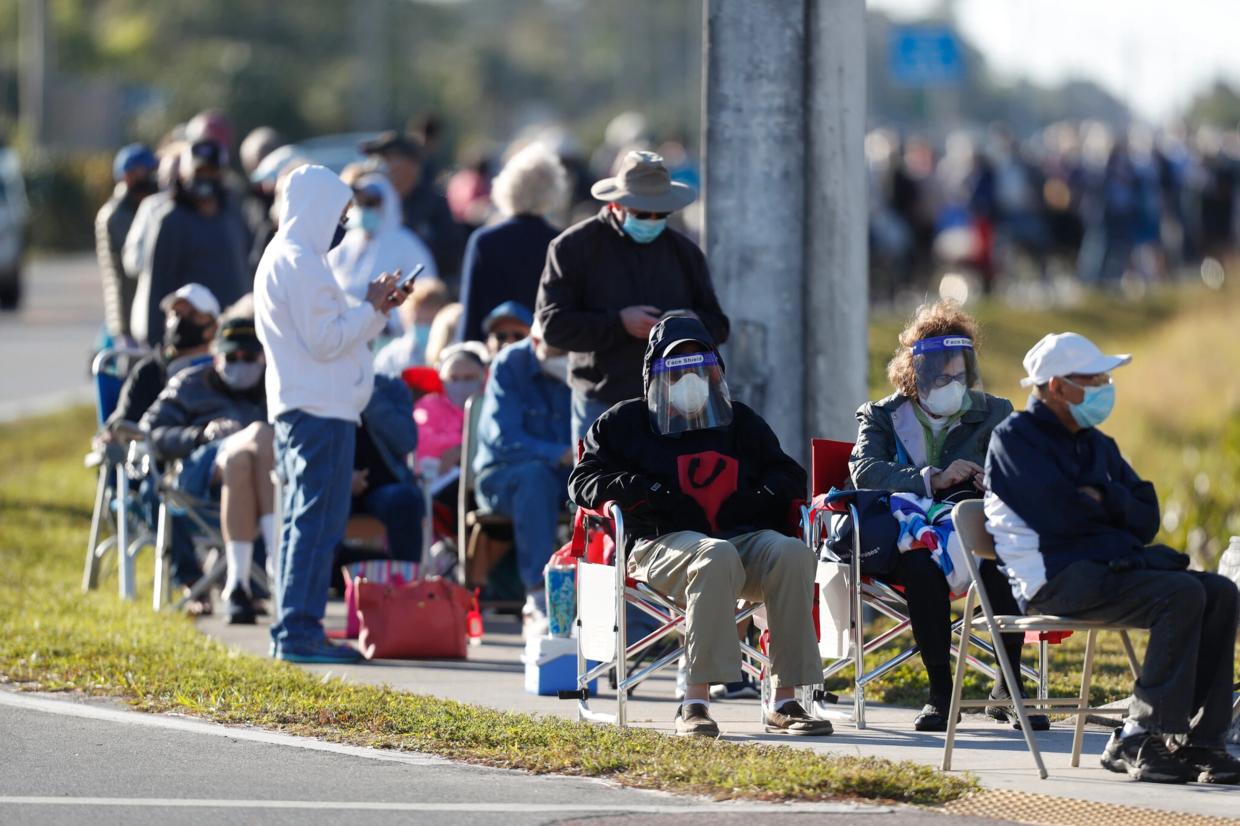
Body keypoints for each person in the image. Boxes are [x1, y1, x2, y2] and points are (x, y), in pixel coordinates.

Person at [986, 333, 1239, 785]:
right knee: (1180, 593)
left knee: (1220, 591)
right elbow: (1059, 519)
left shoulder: (1096, 443)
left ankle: (1201, 741)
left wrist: (1102, 497)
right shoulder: (1014, 440)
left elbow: (1147, 516)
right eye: (1095, 379)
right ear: (1057, 387)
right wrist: (1110, 512)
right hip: (1055, 579)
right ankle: (1138, 735)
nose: (1106, 387)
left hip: (1106, 568)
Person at [569, 315, 830, 738]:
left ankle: (785, 700)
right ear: (654, 375)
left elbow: (788, 474)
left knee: (792, 553)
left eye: (698, 366)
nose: (689, 378)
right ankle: (694, 703)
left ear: (715, 371)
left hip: (738, 539)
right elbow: (582, 481)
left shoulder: (740, 422)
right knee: (714, 555)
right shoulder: (624, 423)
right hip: (658, 544)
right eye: (677, 370)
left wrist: (757, 497)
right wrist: (644, 490)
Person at [850, 300, 1044, 732]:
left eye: (960, 375)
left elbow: (1024, 469)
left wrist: (995, 480)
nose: (953, 385)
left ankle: (1009, 687)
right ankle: (940, 692)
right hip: (909, 534)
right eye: (942, 377)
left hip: (973, 529)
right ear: (914, 373)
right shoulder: (880, 416)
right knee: (921, 566)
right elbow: (864, 470)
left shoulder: (995, 411)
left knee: (998, 557)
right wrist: (932, 478)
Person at [254, 163, 412, 663]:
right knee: (317, 522)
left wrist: (373, 308)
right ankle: (299, 632)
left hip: (309, 406)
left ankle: (292, 627)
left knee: (306, 519)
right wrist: (372, 308)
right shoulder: (299, 261)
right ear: (319, 208)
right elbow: (326, 340)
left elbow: (329, 329)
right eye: (340, 213)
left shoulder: (290, 256)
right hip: (319, 411)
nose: (344, 223)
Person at [535, 150, 729, 445]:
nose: (652, 220)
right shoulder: (572, 248)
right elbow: (553, 326)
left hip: (677, 407)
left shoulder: (684, 253)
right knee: (599, 476)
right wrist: (619, 323)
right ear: (616, 204)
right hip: (601, 402)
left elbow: (719, 325)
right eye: (642, 213)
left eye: (660, 214)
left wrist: (689, 325)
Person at [141, 300, 273, 625]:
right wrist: (199, 435)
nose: (240, 364)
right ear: (216, 356)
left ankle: (238, 586)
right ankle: (278, 564)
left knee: (243, 458)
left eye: (248, 357)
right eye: (231, 357)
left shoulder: (273, 387)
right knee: (260, 434)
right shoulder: (190, 383)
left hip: (251, 480)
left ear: (263, 357)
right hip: (196, 476)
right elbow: (151, 433)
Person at [473, 319, 572, 624]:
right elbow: (503, 439)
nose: (566, 355)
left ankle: (614, 597)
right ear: (537, 342)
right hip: (503, 477)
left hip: (562, 478)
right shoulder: (510, 363)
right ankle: (539, 594)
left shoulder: (583, 359)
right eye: (559, 350)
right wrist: (559, 453)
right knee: (535, 477)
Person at [130, 139, 250, 348]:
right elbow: (158, 285)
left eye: (212, 171)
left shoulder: (233, 214)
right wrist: (157, 342)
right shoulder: (171, 220)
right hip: (192, 339)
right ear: (185, 175)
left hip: (233, 334)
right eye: (199, 172)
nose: (206, 178)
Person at [458, 143, 565, 343]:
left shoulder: (484, 241)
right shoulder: (562, 243)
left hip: (494, 348)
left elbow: (470, 316)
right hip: (545, 350)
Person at [329, 173, 438, 335]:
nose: (365, 208)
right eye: (361, 202)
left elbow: (425, 293)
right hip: (343, 332)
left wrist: (388, 321)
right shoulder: (344, 245)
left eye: (371, 202)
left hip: (389, 335)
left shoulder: (407, 244)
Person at [106, 283, 220, 432]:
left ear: (214, 326)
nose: (180, 321)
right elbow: (124, 425)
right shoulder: (149, 373)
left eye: (192, 314)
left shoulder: (223, 368)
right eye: (175, 314)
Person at [359, 131, 462, 278]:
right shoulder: (375, 203)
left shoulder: (433, 204)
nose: (381, 167)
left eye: (388, 159)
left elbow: (450, 256)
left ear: (412, 166)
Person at [353, 374, 424, 565]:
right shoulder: (319, 386)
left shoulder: (391, 388)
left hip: (383, 490)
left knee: (406, 499)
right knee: (322, 502)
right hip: (333, 486)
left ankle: (406, 579)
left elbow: (406, 441)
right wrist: (343, 479)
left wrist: (366, 393)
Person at [96, 143, 158, 343]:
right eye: (142, 172)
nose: (149, 177)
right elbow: (136, 261)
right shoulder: (115, 215)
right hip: (127, 315)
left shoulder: (145, 206)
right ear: (126, 176)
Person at [373, 277, 450, 376]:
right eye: (419, 321)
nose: (424, 326)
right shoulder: (391, 355)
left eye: (429, 322)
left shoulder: (453, 353)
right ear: (406, 319)